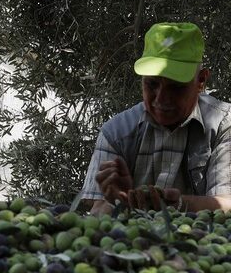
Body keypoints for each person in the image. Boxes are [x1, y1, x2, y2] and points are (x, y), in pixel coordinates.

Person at [80, 22, 231, 215]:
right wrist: (118, 200)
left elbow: (227, 206)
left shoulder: (223, 125)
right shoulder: (116, 133)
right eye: (152, 84)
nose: (161, 99)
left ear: (201, 80)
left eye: (176, 88)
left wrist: (175, 204)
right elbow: (98, 210)